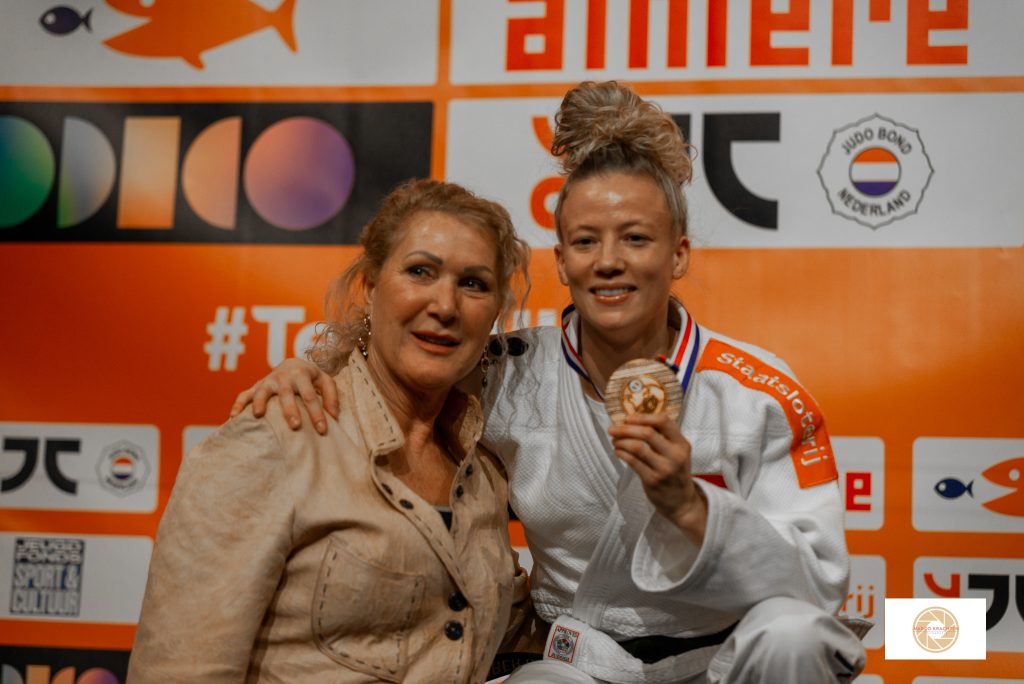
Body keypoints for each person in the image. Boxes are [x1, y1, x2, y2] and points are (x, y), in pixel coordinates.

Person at [233, 82, 868, 683]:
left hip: (728, 661)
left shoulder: (756, 393)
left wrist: (689, 507)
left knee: (796, 634)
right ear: (561, 261)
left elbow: (816, 585)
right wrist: (313, 369)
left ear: (678, 253)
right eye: (586, 241)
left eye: (636, 239)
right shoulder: (508, 372)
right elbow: (398, 366)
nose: (609, 261)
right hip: (583, 663)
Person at [128, 179, 532, 683]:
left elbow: (502, 631)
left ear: (495, 312)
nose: (445, 305)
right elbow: (179, 670)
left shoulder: (485, 472)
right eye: (420, 272)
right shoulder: (278, 437)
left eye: (473, 283)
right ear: (370, 287)